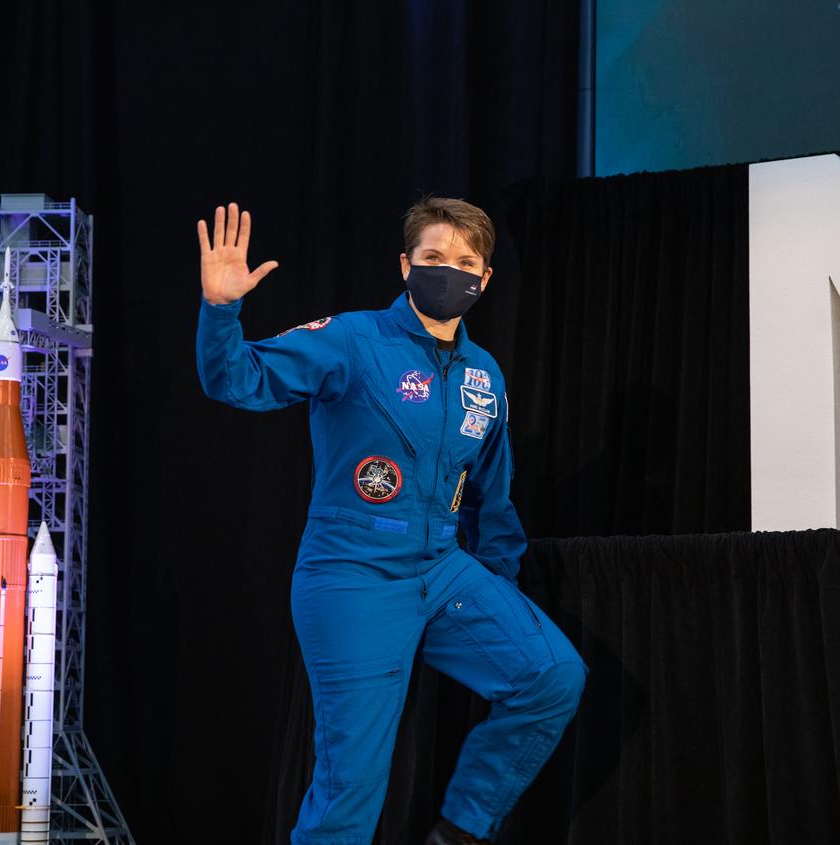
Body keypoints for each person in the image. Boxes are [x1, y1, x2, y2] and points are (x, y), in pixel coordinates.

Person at [195, 197, 588, 845]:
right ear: (405, 264)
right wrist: (221, 309)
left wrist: (496, 593)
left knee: (551, 676)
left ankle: (459, 833)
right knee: (351, 785)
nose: (450, 271)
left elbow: (493, 496)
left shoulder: (483, 375)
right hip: (353, 576)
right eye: (434, 257)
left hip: (442, 571)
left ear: (485, 279)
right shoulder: (353, 340)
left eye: (466, 262)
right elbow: (238, 379)